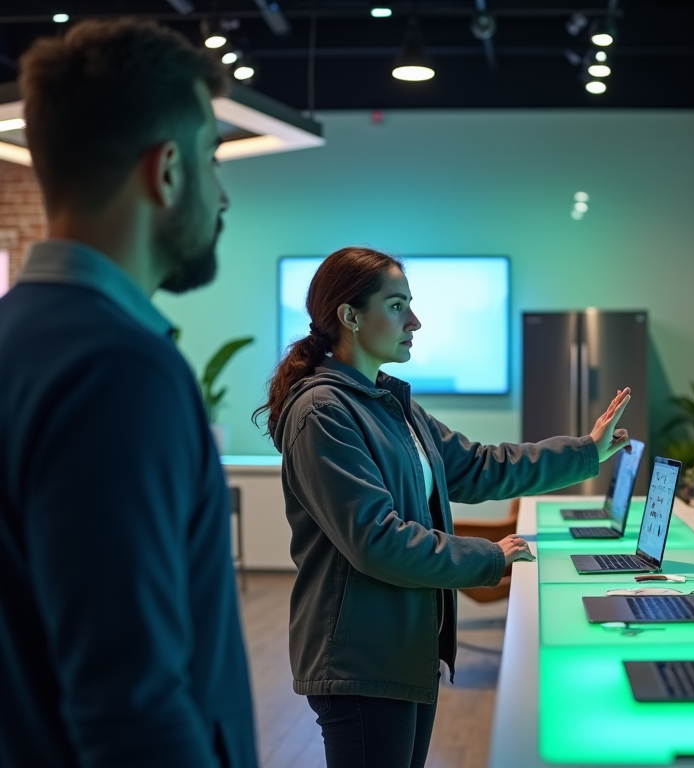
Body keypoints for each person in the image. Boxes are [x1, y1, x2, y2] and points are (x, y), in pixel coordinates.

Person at [256, 246, 632, 768]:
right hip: (361, 660)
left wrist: (586, 452)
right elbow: (376, 540)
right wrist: (489, 558)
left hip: (406, 646)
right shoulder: (322, 413)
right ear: (349, 316)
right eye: (396, 306)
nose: (414, 321)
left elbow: (480, 466)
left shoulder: (390, 403)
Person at [0, 20, 257, 768]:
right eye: (215, 157)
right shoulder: (118, 371)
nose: (225, 195)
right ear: (168, 171)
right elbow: (132, 710)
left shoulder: (19, 338)